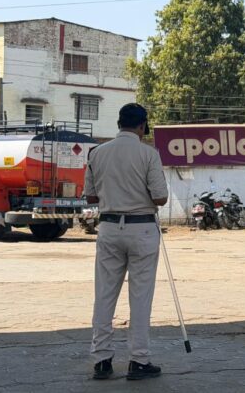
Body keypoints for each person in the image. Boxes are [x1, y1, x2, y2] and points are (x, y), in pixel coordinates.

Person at [85, 103, 169, 381]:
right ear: (142, 126)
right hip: (142, 229)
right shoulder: (149, 154)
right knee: (140, 297)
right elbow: (160, 198)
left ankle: (101, 361)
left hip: (109, 228)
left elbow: (90, 197)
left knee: (104, 294)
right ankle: (138, 360)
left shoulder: (97, 153)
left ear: (119, 123)